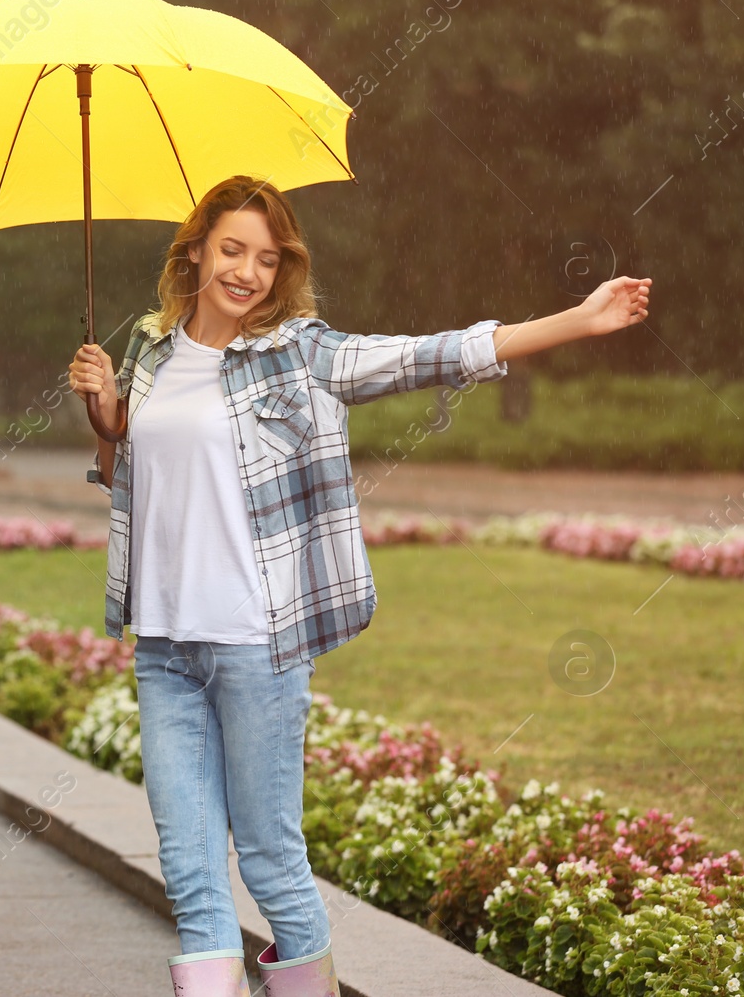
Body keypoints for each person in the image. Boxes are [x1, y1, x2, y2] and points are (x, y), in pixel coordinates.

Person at [67, 175, 651, 997]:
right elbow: (126, 469)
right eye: (231, 249)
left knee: (269, 856)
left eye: (266, 259)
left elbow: (427, 354)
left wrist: (577, 320)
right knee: (190, 871)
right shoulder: (149, 351)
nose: (247, 271)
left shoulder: (300, 352)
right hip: (165, 646)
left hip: (258, 646)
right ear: (193, 249)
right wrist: (105, 419)